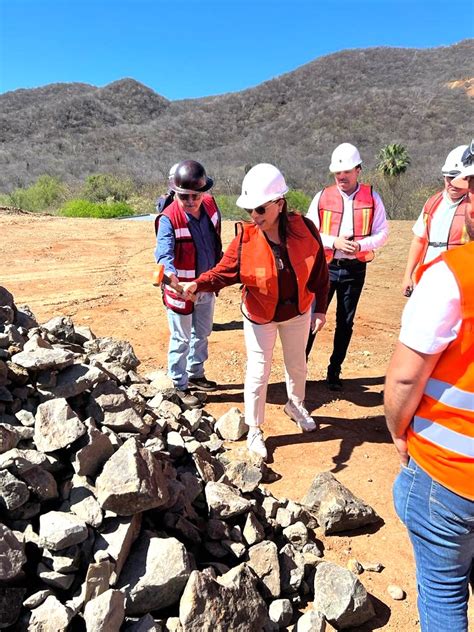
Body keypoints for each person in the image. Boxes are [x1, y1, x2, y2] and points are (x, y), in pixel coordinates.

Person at [180, 163, 329, 460]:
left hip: (297, 313)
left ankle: (295, 405)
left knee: (297, 365)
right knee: (259, 372)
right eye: (250, 210)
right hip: (260, 315)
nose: (254, 216)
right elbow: (222, 273)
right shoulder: (245, 239)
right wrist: (196, 284)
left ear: (279, 204)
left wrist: (320, 310)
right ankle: (255, 429)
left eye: (260, 209)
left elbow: (320, 270)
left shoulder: (305, 228)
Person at [384, 163, 474, 632]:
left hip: (451, 476)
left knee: (442, 593)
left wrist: (398, 430)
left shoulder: (454, 277)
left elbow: (403, 381)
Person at [306, 143, 389, 390]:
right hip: (326, 267)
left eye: (347, 172)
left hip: (355, 268)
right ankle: (300, 367)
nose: (341, 177)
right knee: (312, 318)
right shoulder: (322, 196)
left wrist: (362, 245)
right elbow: (311, 231)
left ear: (358, 170)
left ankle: (334, 370)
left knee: (346, 321)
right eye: (337, 173)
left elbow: (383, 232)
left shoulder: (373, 197)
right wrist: (334, 241)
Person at [155, 159, 222, 408]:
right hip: (180, 291)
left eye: (196, 195)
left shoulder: (210, 207)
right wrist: (170, 277)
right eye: (185, 196)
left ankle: (196, 373)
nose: (191, 201)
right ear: (176, 193)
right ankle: (178, 385)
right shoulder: (168, 218)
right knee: (181, 338)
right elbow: (163, 253)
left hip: (205, 285)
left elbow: (216, 240)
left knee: (202, 333)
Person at [401, 144, 470, 297]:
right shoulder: (432, 203)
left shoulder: (472, 207)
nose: (453, 183)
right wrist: (408, 275)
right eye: (449, 177)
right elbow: (419, 240)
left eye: (459, 178)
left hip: (459, 283)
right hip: (428, 278)